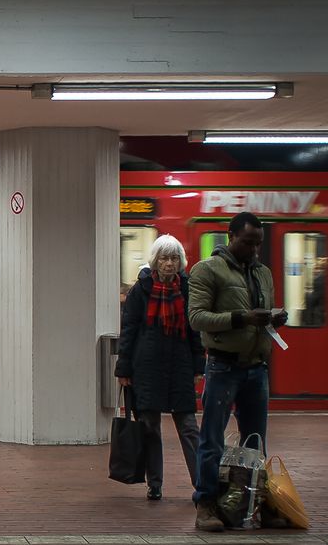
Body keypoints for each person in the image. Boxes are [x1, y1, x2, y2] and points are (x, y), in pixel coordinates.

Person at [188, 212, 287, 532]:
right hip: (222, 366)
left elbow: (259, 314)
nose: (255, 250)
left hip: (257, 368)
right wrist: (243, 318)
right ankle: (205, 503)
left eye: (258, 244)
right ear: (230, 237)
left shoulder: (263, 273)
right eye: (248, 243)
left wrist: (273, 319)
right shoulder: (207, 270)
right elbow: (198, 318)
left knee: (255, 443)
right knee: (212, 439)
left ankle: (256, 503)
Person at [115, 235, 203, 501]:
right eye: (164, 258)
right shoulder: (140, 290)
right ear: (155, 261)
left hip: (179, 367)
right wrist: (124, 370)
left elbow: (194, 331)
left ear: (181, 262)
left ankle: (203, 484)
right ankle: (155, 484)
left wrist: (199, 364)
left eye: (174, 258)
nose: (169, 264)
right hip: (147, 369)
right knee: (150, 426)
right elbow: (128, 331)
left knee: (188, 426)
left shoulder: (187, 289)